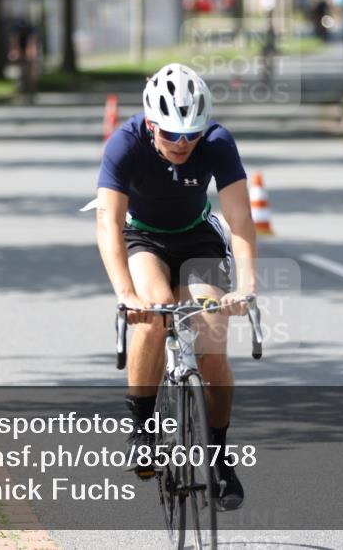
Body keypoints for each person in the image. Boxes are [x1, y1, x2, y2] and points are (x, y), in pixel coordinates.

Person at [95, 63, 257, 511]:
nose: (183, 143)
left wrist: (246, 285)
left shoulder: (218, 142)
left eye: (192, 135)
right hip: (143, 235)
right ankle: (143, 429)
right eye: (172, 134)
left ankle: (220, 456)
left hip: (197, 235)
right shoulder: (125, 142)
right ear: (151, 124)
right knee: (155, 310)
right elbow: (107, 220)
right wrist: (126, 294)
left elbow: (241, 218)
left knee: (211, 337)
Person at [7, 18, 37, 94]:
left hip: (28, 45)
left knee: (31, 66)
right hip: (19, 45)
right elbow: (14, 43)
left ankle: (32, 86)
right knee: (16, 61)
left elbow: (32, 43)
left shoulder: (31, 30)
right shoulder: (15, 30)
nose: (22, 30)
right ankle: (17, 83)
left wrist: (30, 54)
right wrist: (14, 53)